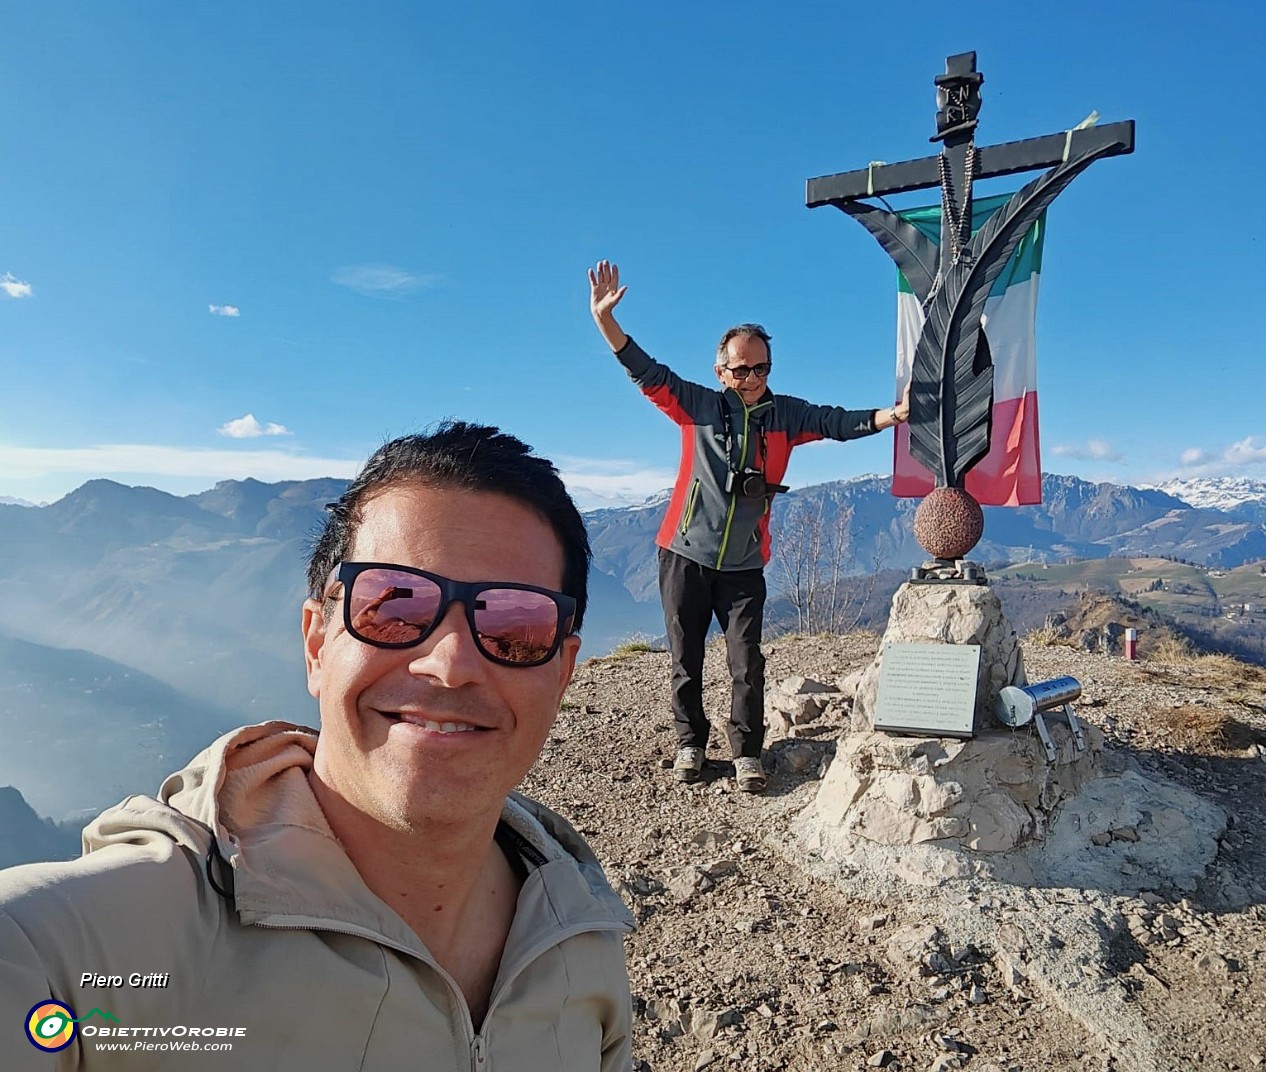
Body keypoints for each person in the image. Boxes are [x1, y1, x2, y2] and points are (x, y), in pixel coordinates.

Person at [0, 422, 635, 1071]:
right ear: (316, 644)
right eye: (395, 605)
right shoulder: (101, 943)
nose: (449, 663)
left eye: (515, 626)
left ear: (561, 673)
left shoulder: (579, 931)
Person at [588, 260, 909, 793]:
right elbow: (645, 370)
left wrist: (890, 416)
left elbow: (836, 422)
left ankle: (746, 753)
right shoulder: (698, 406)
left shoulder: (784, 414)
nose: (752, 379)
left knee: (747, 664)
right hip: (684, 553)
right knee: (685, 658)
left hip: (743, 563)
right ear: (721, 372)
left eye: (761, 368)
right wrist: (605, 321)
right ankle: (690, 746)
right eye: (741, 370)